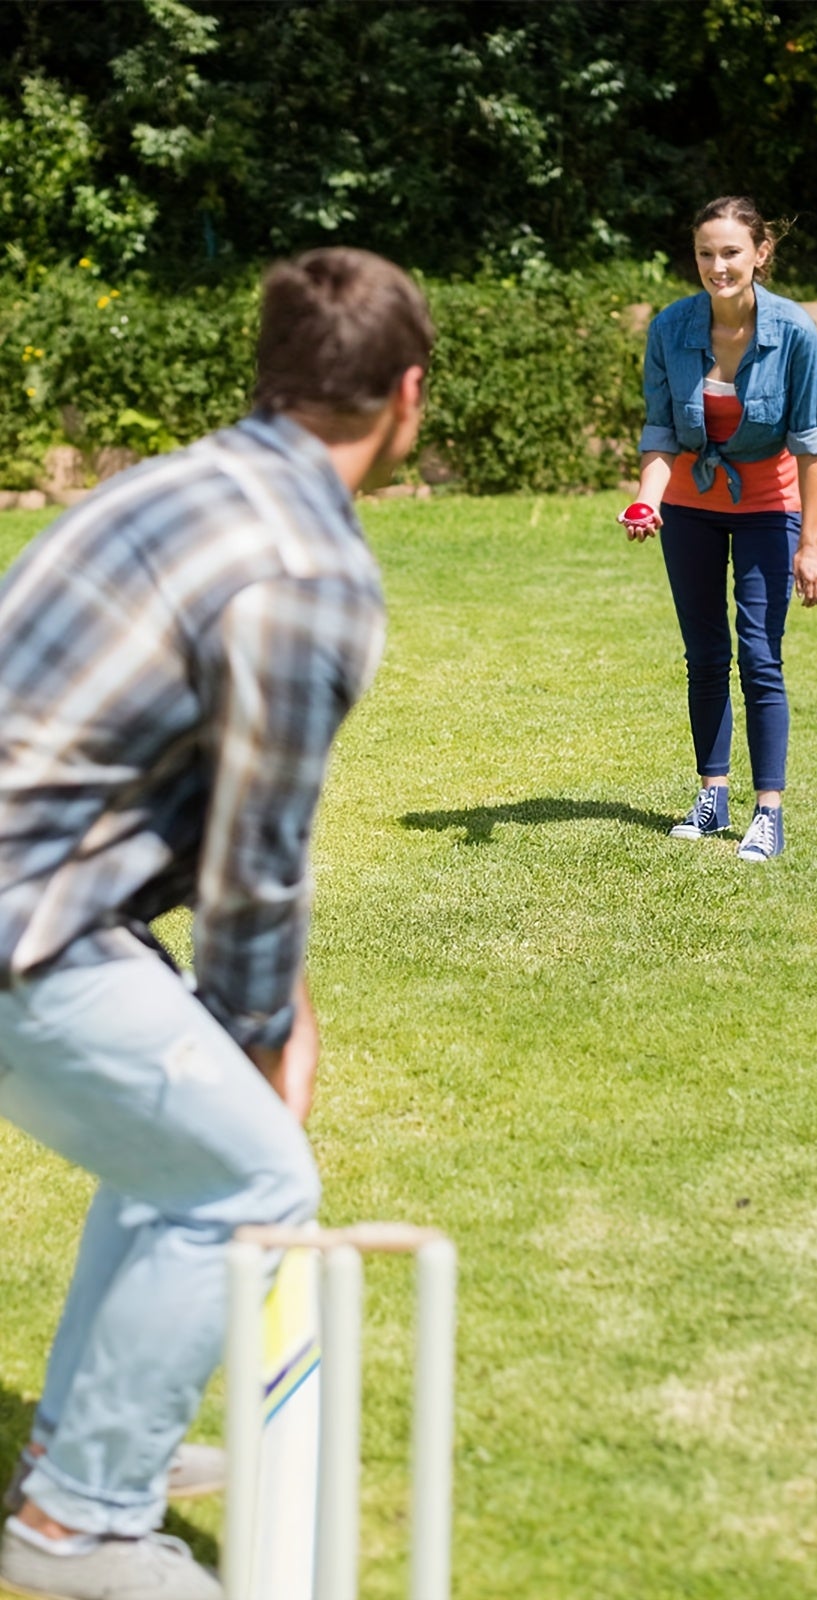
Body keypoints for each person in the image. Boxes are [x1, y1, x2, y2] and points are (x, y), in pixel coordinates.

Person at [0, 247, 432, 1600]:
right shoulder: (309, 569)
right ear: (407, 397)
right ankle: (76, 1526)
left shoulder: (165, 484)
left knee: (172, 1145)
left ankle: (86, 1444)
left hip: (47, 897)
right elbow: (257, 851)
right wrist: (255, 1028)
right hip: (27, 919)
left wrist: (243, 1014)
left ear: (268, 376)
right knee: (252, 1175)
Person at [619, 195, 817, 863]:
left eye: (731, 252)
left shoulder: (794, 332)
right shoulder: (671, 329)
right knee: (705, 655)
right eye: (705, 253)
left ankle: (768, 811)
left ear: (760, 253)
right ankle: (713, 796)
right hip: (689, 505)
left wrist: (811, 545)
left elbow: (810, 445)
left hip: (770, 504)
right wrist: (647, 500)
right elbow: (660, 431)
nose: (718, 266)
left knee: (760, 656)